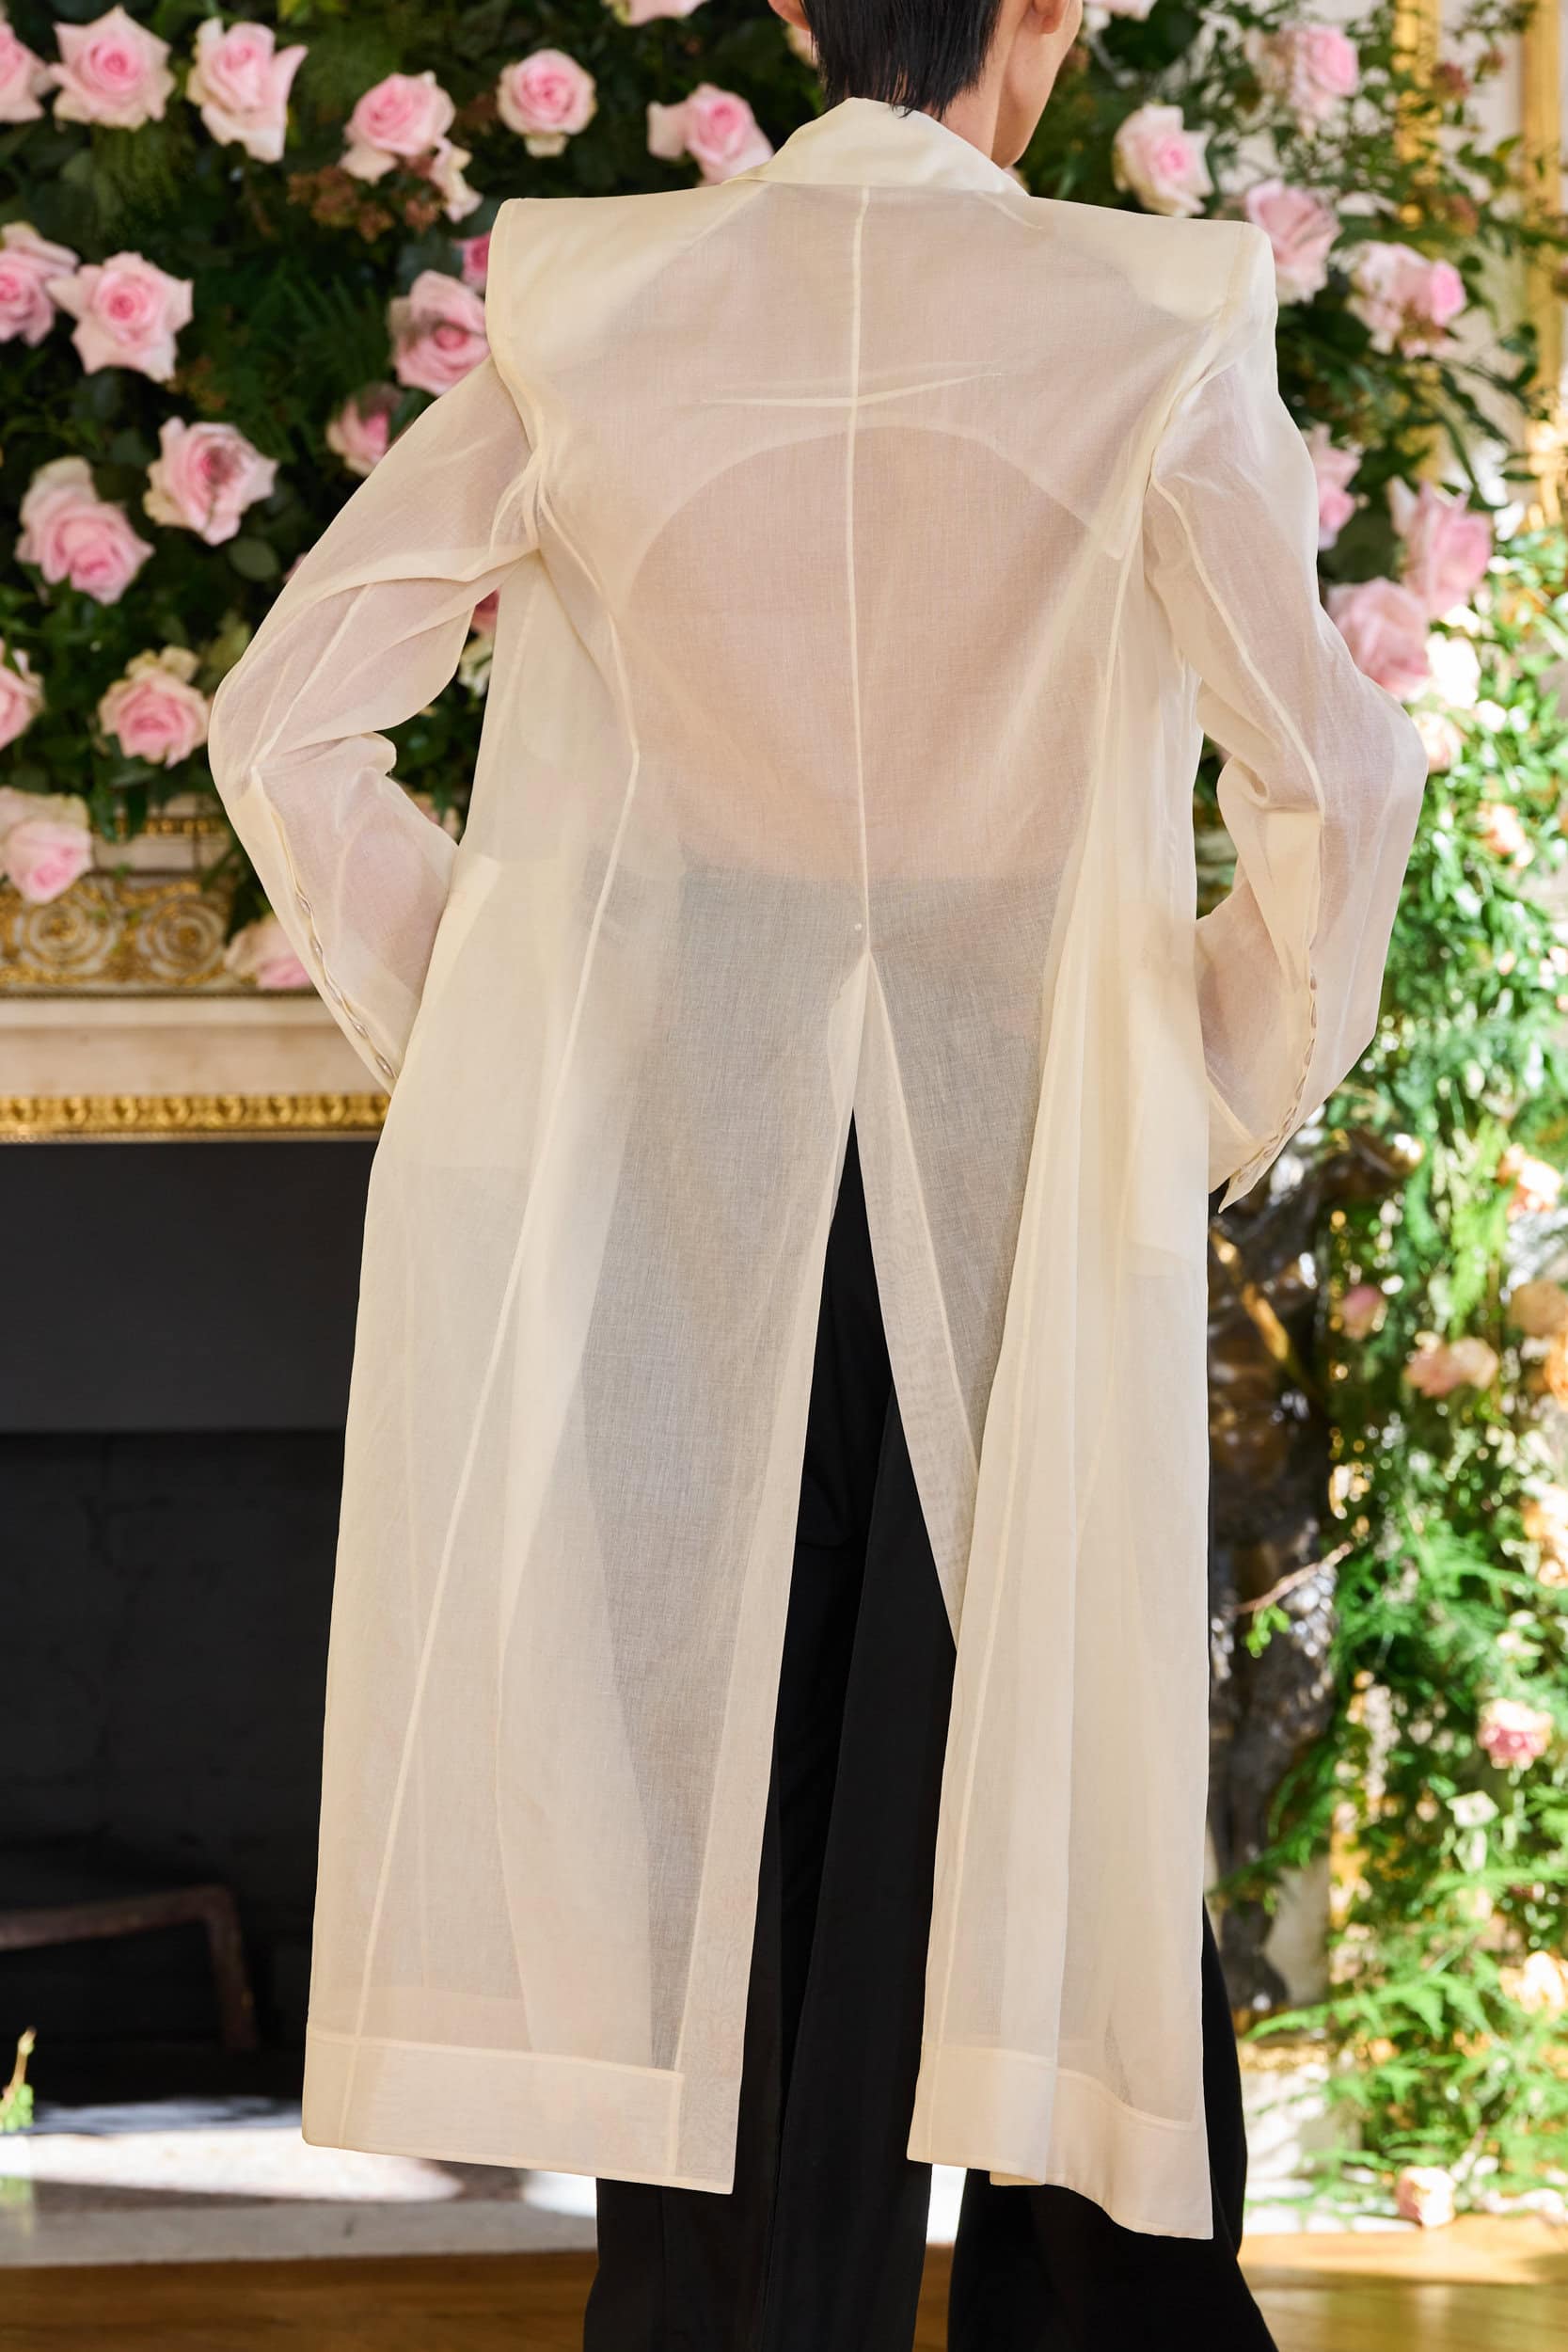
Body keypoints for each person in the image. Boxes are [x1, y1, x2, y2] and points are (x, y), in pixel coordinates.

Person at [205, 0, 1427, 2344]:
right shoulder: (1148, 316)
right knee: (1053, 1858)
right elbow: (1334, 785)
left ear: (790, 13)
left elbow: (287, 722)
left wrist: (519, 1031)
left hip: (689, 1211)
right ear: (1041, 6)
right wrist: (1186, 1077)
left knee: (729, 1882)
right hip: (1017, 1205)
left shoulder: (597, 307)